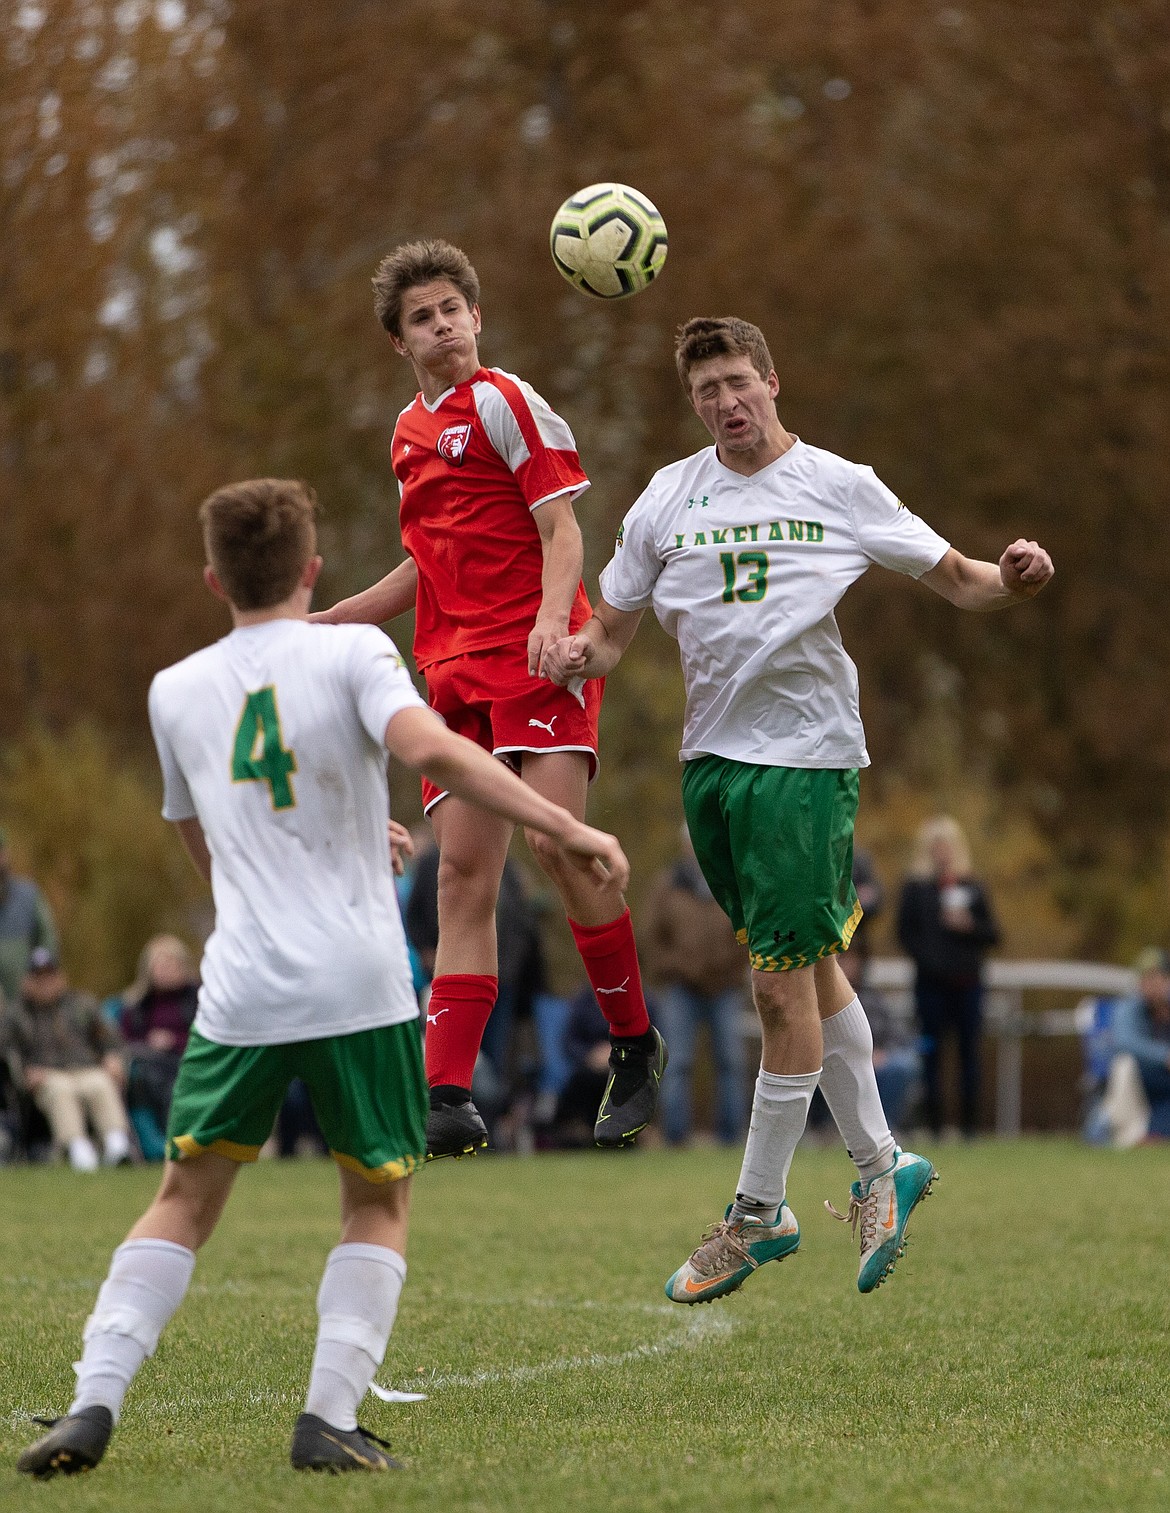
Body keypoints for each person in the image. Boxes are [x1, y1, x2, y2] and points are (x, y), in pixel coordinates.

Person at [17, 477, 629, 1480]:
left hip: (244, 985)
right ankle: (329, 1419)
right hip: (357, 979)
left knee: (182, 1194)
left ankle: (92, 1401)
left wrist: (324, 849)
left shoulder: (174, 689)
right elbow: (435, 746)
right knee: (376, 1199)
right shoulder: (354, 651)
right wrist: (566, 824)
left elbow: (209, 835)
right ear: (310, 569)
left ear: (214, 577)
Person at [544, 315, 1053, 1304]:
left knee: (775, 990)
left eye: (739, 382)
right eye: (706, 391)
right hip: (714, 770)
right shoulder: (667, 497)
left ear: (774, 381)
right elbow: (611, 633)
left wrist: (1014, 577)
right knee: (812, 968)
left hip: (806, 764)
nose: (726, 402)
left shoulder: (837, 484)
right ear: (693, 404)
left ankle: (755, 1212)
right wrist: (577, 656)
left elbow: (959, 580)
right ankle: (883, 1165)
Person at [311, 240, 664, 1159]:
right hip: (453, 673)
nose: (442, 327)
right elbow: (432, 560)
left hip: (537, 661)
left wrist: (555, 627)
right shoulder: (406, 433)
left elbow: (562, 530)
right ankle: (448, 1097)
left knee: (555, 846)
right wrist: (347, 614)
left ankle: (632, 1043)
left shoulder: (507, 401)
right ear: (400, 341)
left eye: (452, 310)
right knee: (462, 876)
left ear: (477, 317)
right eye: (422, 317)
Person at [640, 826, 748, 1146]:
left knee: (730, 1062)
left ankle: (732, 1136)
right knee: (678, 1063)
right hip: (680, 988)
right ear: (685, 846)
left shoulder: (731, 882)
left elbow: (748, 929)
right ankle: (675, 1137)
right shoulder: (668, 885)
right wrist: (674, 967)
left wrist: (731, 968)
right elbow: (650, 936)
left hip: (725, 987)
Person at [896, 815, 1001, 1138]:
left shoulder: (973, 887)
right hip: (930, 987)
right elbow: (905, 935)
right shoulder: (915, 890)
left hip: (967, 985)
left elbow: (993, 934)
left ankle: (970, 1128)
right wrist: (932, 961)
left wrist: (968, 927)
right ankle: (936, 1127)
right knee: (931, 1056)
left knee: (970, 1055)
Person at [5, 946, 132, 1170]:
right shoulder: (17, 1014)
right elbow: (9, 1050)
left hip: (85, 1068)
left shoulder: (81, 1004)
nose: (45, 982)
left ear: (60, 977)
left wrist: (113, 1058)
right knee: (60, 1089)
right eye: (38, 977)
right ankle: (79, 1151)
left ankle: (117, 1146)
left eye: (49, 975)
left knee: (100, 1082)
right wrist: (24, 1072)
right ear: (28, 981)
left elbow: (110, 1038)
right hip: (46, 1074)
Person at [115, 934, 200, 1158]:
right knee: (144, 1079)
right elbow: (123, 1041)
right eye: (160, 964)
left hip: (189, 1060)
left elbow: (209, 1035)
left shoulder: (199, 998)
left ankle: (189, 1142)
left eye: (171, 964)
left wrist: (173, 1041)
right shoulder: (135, 1004)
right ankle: (158, 1146)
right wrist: (148, 1043)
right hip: (148, 1065)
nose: (166, 970)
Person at [1102, 947, 1170, 1142]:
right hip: (1142, 1076)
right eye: (1145, 978)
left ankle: (1156, 1134)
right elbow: (1123, 1041)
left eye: (1155, 977)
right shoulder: (1130, 1007)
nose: (1149, 984)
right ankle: (1154, 1134)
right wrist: (1164, 1056)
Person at [0, 827, 59, 1006]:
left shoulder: (28, 896)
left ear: (5, 854)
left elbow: (47, 939)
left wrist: (39, 974)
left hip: (24, 1004)